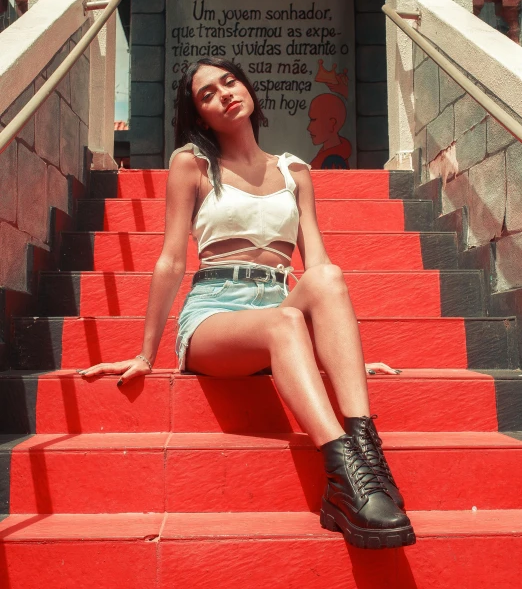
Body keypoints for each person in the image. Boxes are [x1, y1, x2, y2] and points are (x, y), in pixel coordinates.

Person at [78, 56, 415, 550]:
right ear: (199, 116)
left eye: (229, 82)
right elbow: (172, 260)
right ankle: (346, 476)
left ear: (248, 88)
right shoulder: (191, 163)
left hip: (281, 304)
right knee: (283, 322)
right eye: (207, 94)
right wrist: (146, 354)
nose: (224, 94)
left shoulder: (295, 170)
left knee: (328, 278)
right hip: (216, 312)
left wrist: (345, 357)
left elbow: (318, 267)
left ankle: (369, 454)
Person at [307, 93, 352, 169]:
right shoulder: (326, 155)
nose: (309, 128)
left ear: (332, 124)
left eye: (314, 120)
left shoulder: (333, 163)